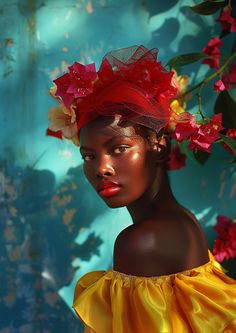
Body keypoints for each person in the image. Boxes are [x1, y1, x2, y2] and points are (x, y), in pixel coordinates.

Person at [47, 46, 236, 333]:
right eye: (89, 156)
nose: (101, 168)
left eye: (119, 148)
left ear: (158, 146)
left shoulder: (140, 242)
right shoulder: (183, 222)